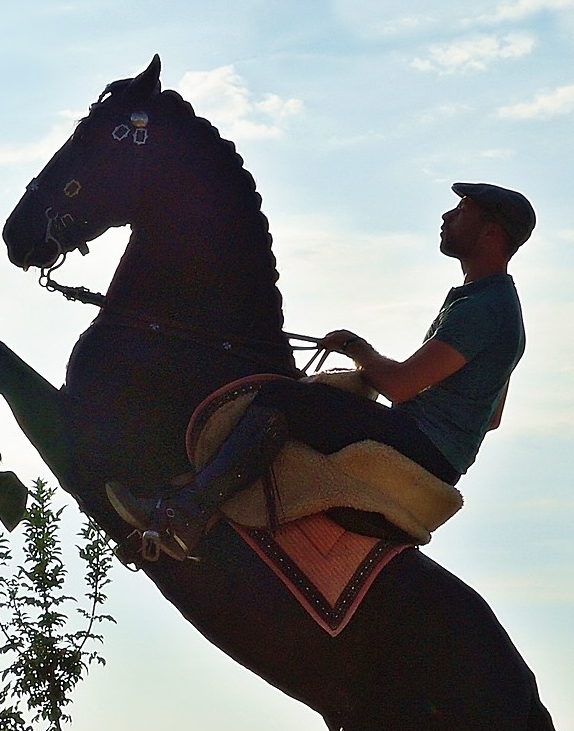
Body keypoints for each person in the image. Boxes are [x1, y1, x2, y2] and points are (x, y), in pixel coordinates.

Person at [117, 182, 534, 561]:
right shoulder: (499, 306)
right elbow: (491, 418)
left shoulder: (482, 309)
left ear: (490, 232)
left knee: (285, 398)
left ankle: (184, 513)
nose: (446, 217)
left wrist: (356, 349)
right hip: (438, 451)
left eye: (461, 210)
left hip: (421, 444)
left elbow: (401, 386)